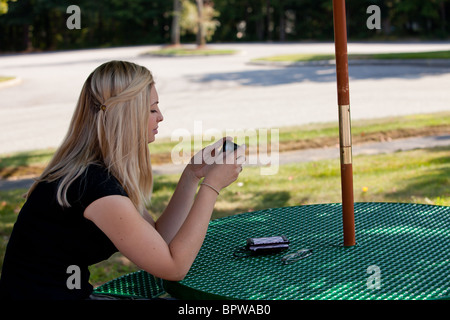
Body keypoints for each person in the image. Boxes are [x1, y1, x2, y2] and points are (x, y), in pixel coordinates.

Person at [0, 60, 245, 300]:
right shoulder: (94, 186)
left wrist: (192, 176)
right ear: (127, 115)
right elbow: (173, 267)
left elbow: (159, 239)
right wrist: (211, 187)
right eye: (152, 109)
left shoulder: (96, 171)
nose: (161, 116)